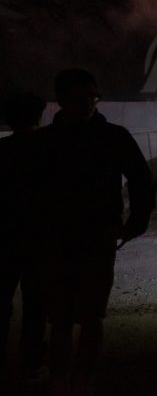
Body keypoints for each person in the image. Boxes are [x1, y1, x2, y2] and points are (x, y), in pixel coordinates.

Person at [40, 69, 155, 395]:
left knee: (91, 316)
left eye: (92, 97)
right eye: (80, 98)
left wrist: (136, 221)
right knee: (61, 318)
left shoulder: (113, 136)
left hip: (97, 237)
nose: (88, 104)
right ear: (61, 101)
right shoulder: (47, 142)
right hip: (57, 241)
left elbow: (141, 180)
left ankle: (82, 379)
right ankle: (60, 379)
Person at [0, 92, 48, 378]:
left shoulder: (2, 150)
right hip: (39, 238)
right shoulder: (49, 149)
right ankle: (31, 361)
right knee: (36, 302)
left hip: (4, 238)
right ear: (39, 116)